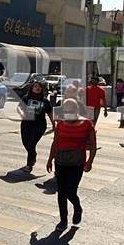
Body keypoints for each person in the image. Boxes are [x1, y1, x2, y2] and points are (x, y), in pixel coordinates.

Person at [46, 98, 96, 229]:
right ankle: (63, 220)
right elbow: (55, 142)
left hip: (77, 162)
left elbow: (93, 146)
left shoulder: (87, 124)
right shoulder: (61, 124)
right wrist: (50, 159)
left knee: (71, 191)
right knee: (61, 192)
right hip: (61, 161)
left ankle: (77, 207)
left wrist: (90, 161)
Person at [18, 80, 54, 172]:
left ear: (42, 89)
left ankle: (29, 165)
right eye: (35, 86)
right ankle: (33, 154)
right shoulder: (26, 98)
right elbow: (19, 107)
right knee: (26, 143)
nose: (37, 88)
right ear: (32, 88)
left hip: (39, 125)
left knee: (31, 144)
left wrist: (54, 125)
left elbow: (50, 113)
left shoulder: (45, 100)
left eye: (39, 87)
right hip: (26, 124)